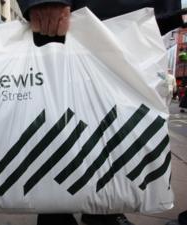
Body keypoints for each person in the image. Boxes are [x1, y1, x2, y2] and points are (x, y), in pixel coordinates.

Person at [16, 0, 183, 225]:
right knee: (59, 118)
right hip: (79, 15)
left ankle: (103, 209)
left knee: (116, 121)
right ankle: (54, 209)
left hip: (135, 16)